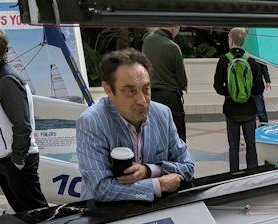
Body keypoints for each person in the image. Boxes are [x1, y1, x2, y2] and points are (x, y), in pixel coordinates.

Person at [76, 48, 194, 202]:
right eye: (130, 91)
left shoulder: (162, 114)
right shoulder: (92, 122)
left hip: (156, 211)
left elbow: (187, 167)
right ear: (108, 90)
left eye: (146, 89)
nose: (142, 101)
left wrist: (149, 170)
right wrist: (157, 185)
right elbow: (101, 189)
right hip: (106, 214)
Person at [0, 24, 48, 213]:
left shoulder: (6, 79)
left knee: (36, 213)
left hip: (15, 160)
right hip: (2, 159)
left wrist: (18, 159)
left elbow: (22, 124)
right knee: (23, 213)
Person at [214, 27, 265, 172]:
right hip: (249, 109)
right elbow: (259, 88)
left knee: (234, 146)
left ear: (230, 40)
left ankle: (234, 175)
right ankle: (253, 173)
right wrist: (247, 94)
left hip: (231, 109)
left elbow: (217, 86)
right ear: (243, 41)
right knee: (251, 144)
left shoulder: (224, 60)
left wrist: (230, 93)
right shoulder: (251, 61)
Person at [142, 26, 188, 142]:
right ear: (173, 28)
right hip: (170, 96)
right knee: (176, 133)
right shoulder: (173, 47)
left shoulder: (147, 41)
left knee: (154, 131)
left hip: (151, 95)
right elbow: (181, 79)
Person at [254, 60, 271, 125]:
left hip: (257, 86)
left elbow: (264, 68)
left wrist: (267, 81)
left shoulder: (257, 55)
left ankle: (264, 124)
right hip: (246, 86)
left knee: (260, 108)